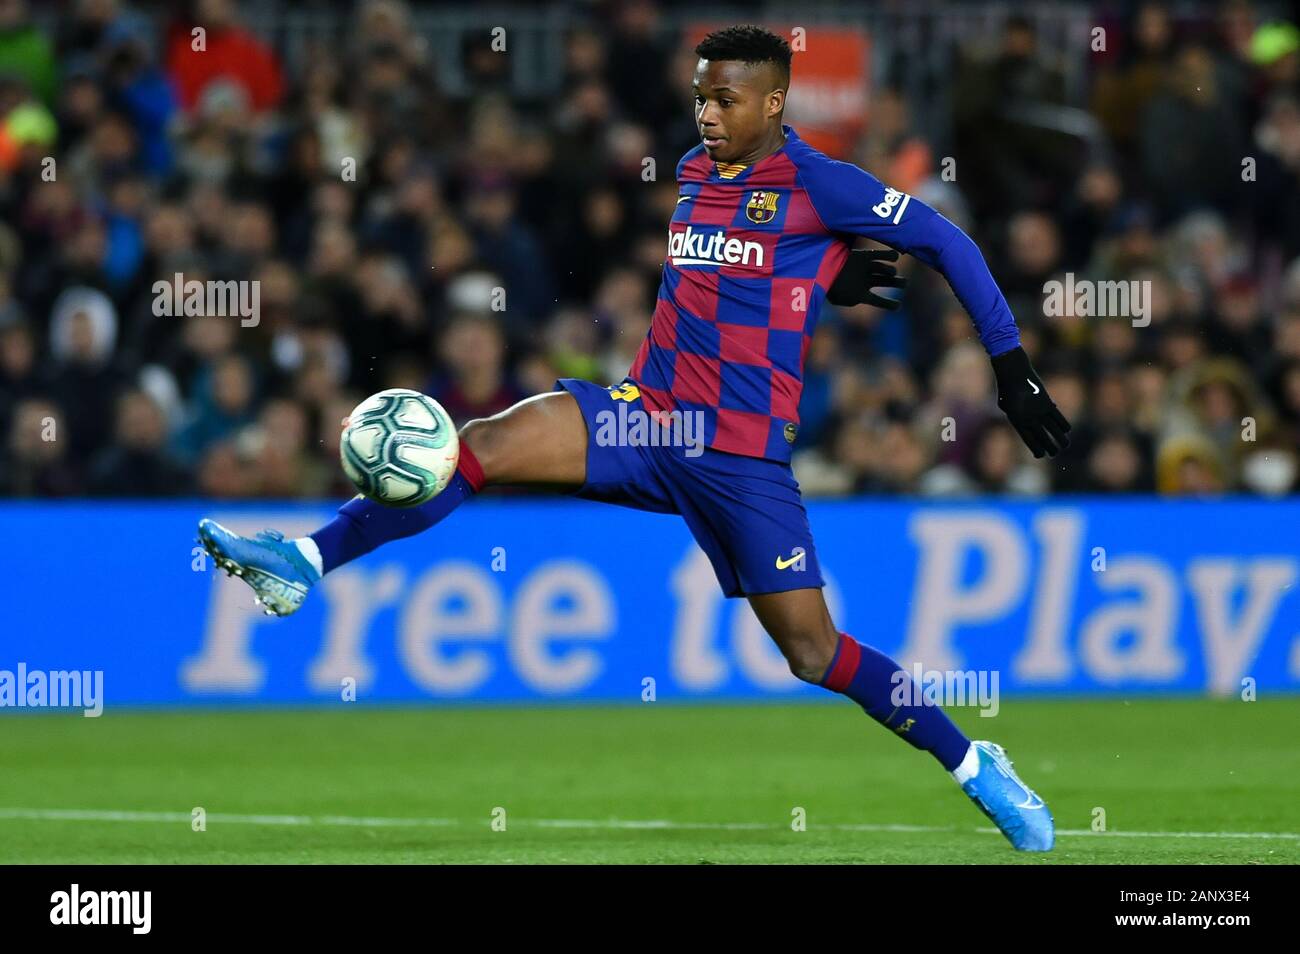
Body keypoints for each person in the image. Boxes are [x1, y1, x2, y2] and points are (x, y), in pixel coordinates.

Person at [198, 25, 1070, 851]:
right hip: (644, 415)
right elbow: (739, 258)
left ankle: (973, 762)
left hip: (740, 457)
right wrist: (826, 271)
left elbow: (946, 241)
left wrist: (1011, 367)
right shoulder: (695, 169)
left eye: (726, 100)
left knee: (814, 653)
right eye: (700, 98)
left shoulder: (824, 183)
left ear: (774, 105)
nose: (707, 115)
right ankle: (303, 565)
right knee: (481, 446)